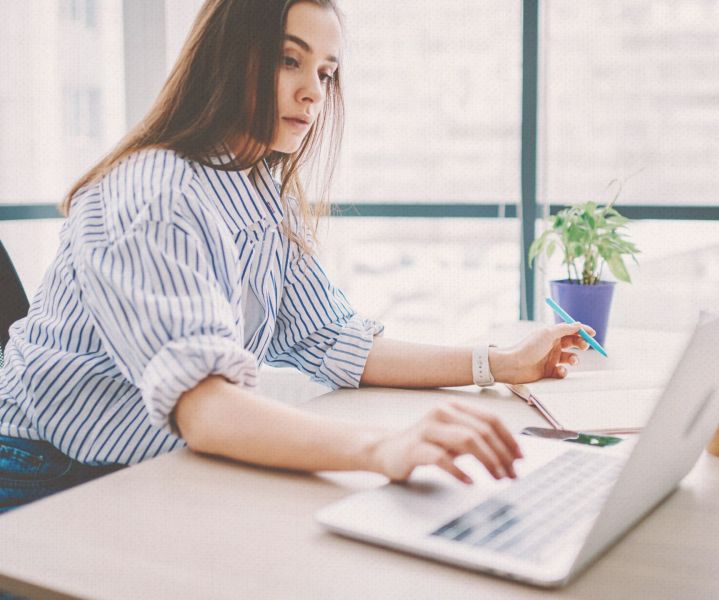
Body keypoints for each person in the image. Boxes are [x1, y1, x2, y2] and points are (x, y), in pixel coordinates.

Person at [0, 0, 593, 514]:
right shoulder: (155, 195)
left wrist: (500, 363)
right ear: (227, 57)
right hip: (39, 475)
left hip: (144, 466)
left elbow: (334, 339)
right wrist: (382, 448)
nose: (313, 91)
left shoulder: (258, 189)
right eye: (290, 60)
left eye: (326, 72)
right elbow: (205, 409)